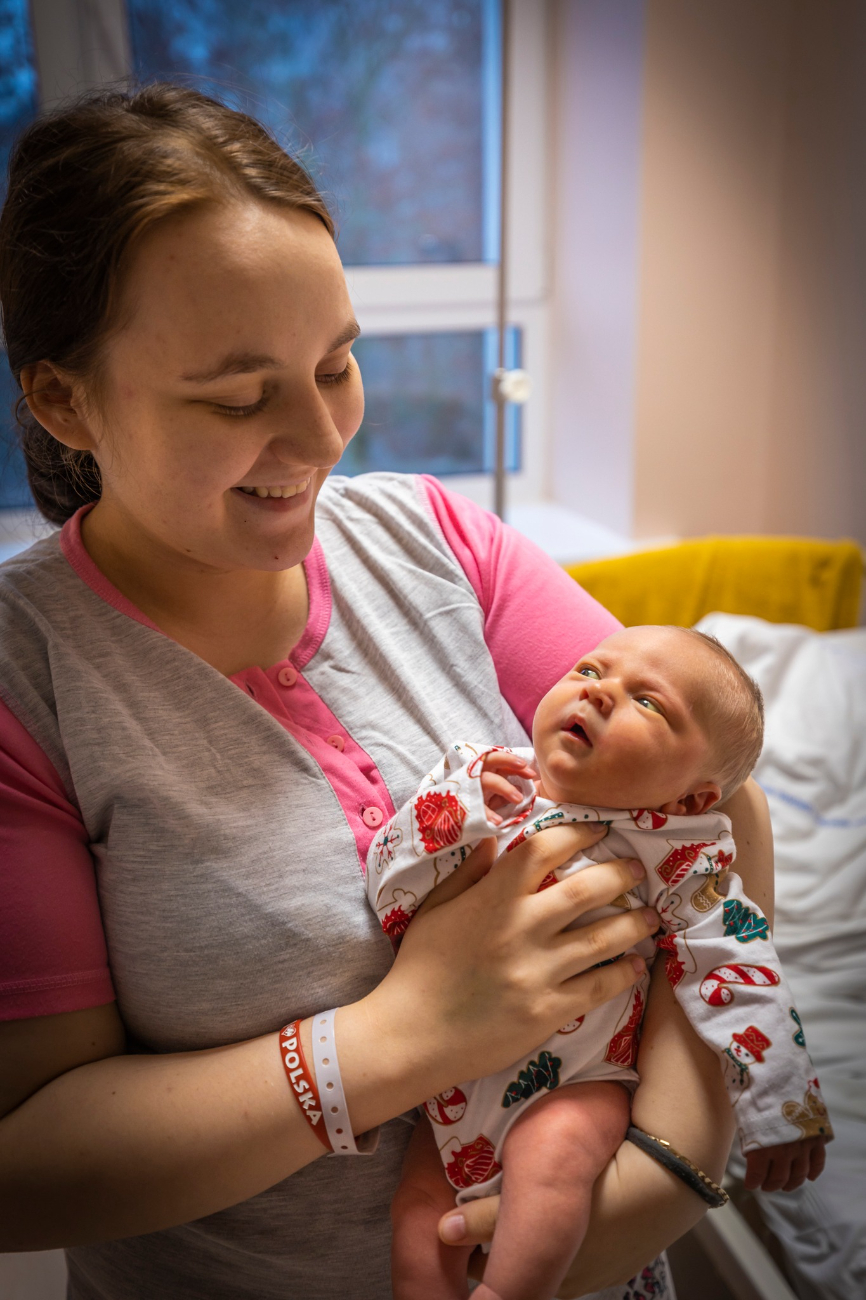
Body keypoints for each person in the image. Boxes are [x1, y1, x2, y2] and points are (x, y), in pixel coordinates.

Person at [0, 85, 774, 1300]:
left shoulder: (437, 541)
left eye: (336, 364)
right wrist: (409, 1031)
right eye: (236, 395)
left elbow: (713, 787)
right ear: (64, 400)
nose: (317, 439)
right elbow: (27, 1164)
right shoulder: (25, 676)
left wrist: (672, 1158)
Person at [372, 625, 832, 1300]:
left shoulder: (680, 855)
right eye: (590, 668)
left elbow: (740, 968)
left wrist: (783, 1102)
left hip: (578, 1085)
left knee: (552, 1162)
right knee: (420, 1212)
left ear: (692, 798)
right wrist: (457, 806)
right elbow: (389, 889)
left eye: (650, 702)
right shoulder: (487, 783)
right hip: (453, 1080)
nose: (600, 691)